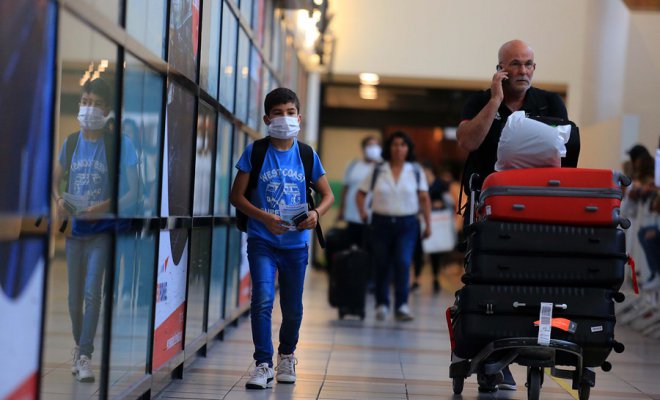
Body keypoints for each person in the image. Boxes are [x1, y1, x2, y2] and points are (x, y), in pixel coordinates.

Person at [456, 39, 579, 392]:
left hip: (536, 207)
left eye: (528, 64)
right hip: (490, 208)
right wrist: (495, 101)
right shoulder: (480, 101)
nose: (522, 71)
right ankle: (490, 360)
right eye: (514, 64)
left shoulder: (550, 102)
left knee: (529, 282)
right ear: (500, 69)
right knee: (487, 282)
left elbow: (562, 149)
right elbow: (467, 142)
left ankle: (515, 353)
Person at [229, 88, 334, 389]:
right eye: (277, 113)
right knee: (262, 299)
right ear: (267, 118)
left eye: (290, 112)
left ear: (299, 117)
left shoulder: (306, 154)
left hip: (296, 246)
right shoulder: (256, 151)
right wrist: (263, 217)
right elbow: (236, 196)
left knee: (292, 308)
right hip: (262, 240)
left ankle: (286, 355)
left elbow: (328, 195)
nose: (284, 119)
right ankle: (263, 363)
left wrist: (316, 215)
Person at [52, 78, 138, 382]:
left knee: (92, 292)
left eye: (96, 104)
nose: (88, 109)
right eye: (85, 102)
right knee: (73, 298)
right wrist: (60, 199)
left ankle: (85, 354)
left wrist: (101, 207)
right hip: (75, 230)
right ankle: (79, 346)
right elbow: (55, 177)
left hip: (101, 229)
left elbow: (133, 192)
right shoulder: (72, 142)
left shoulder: (119, 145)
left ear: (108, 110)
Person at [356, 131, 431, 322]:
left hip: (408, 224)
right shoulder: (378, 170)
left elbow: (424, 198)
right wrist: (363, 212)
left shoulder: (415, 170)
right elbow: (360, 193)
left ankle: (402, 305)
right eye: (395, 144)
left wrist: (428, 224)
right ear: (389, 148)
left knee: (403, 262)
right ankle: (382, 303)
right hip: (380, 222)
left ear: (408, 149)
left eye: (403, 145)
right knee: (382, 263)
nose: (399, 148)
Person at [410, 161, 454, 294]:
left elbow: (450, 202)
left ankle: (436, 278)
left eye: (427, 173)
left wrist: (440, 204)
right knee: (418, 251)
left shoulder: (441, 184)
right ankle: (416, 280)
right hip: (419, 220)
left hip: (437, 222)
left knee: (435, 251)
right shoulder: (416, 184)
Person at [338, 136, 382, 246]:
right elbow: (346, 188)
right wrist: (342, 209)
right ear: (364, 148)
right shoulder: (353, 165)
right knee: (353, 246)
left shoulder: (382, 167)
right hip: (352, 214)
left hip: (373, 216)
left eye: (376, 145)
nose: (373, 148)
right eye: (370, 145)